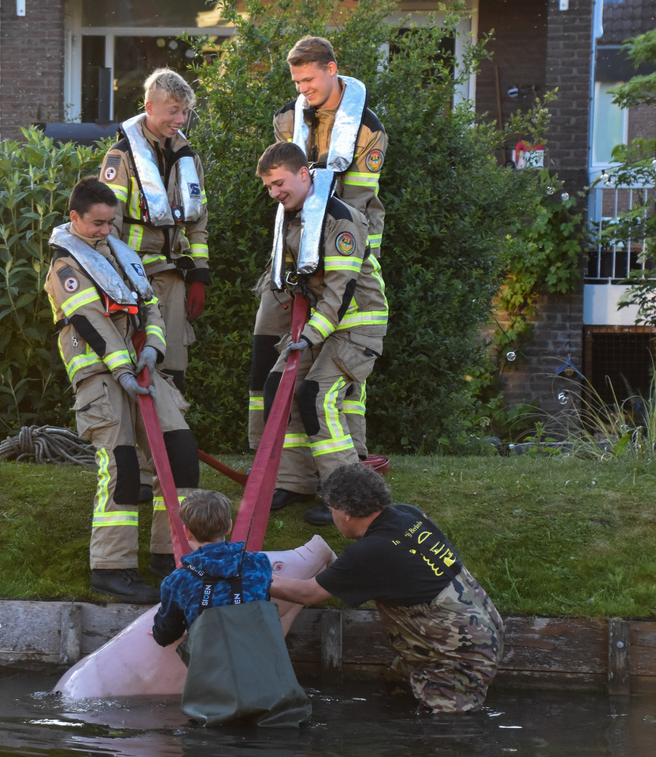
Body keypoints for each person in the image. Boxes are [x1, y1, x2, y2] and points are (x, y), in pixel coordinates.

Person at [249, 36, 388, 525]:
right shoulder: (289, 121)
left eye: (310, 80)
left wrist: (330, 245)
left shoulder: (367, 130)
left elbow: (357, 211)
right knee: (279, 379)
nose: (303, 90)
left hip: (340, 267)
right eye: (297, 83)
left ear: (333, 70)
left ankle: (350, 490)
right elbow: (285, 171)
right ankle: (292, 479)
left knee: (326, 394)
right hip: (302, 262)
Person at [45, 177, 200, 603]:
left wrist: (153, 347)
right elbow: (90, 322)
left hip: (141, 370)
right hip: (100, 375)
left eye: (110, 223)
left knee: (181, 452)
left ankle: (172, 555)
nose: (105, 231)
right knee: (123, 465)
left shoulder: (119, 253)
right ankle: (112, 568)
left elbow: (148, 304)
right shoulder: (65, 266)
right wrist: (122, 370)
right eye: (96, 223)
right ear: (74, 218)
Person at [268, 463, 504, 714]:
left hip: (459, 655)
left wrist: (248, 574)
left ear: (345, 512)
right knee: (394, 691)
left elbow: (308, 593)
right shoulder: (407, 514)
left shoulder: (372, 551)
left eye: (331, 509)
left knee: (445, 733)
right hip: (484, 627)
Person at [100, 68, 209, 525]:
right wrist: (119, 285)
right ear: (149, 107)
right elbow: (106, 224)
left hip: (176, 279)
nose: (179, 119)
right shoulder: (121, 156)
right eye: (172, 111)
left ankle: (163, 468)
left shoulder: (187, 155)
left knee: (173, 371)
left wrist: (200, 271)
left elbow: (198, 220)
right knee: (139, 367)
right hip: (135, 281)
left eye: (185, 111)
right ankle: (142, 475)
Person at [257, 142, 387, 502]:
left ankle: (346, 497)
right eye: (269, 187)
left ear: (303, 175)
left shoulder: (340, 219)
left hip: (357, 324)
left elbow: (340, 293)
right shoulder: (295, 214)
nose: (274, 193)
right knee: (277, 387)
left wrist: (309, 335)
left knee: (317, 397)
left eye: (279, 183)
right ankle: (295, 482)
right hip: (324, 326)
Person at [151, 490, 273, 647]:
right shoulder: (259, 563)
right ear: (229, 527)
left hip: (211, 667)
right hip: (258, 658)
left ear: (186, 532)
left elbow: (165, 637)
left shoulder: (178, 580)